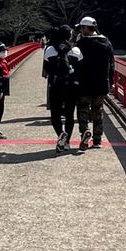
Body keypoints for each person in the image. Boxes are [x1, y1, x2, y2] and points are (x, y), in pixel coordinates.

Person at [73, 16, 114, 150]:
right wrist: (111, 81)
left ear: (86, 28)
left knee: (82, 109)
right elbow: (111, 64)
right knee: (98, 111)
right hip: (101, 84)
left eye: (81, 28)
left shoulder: (81, 44)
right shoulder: (106, 42)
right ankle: (97, 140)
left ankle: (84, 132)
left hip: (84, 84)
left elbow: (75, 63)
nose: (80, 30)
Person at [42, 27, 81, 151]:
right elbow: (81, 68)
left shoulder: (49, 49)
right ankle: (67, 142)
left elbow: (47, 69)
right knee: (69, 115)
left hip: (55, 85)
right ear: (69, 36)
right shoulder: (75, 50)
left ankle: (60, 134)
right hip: (71, 86)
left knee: (55, 114)